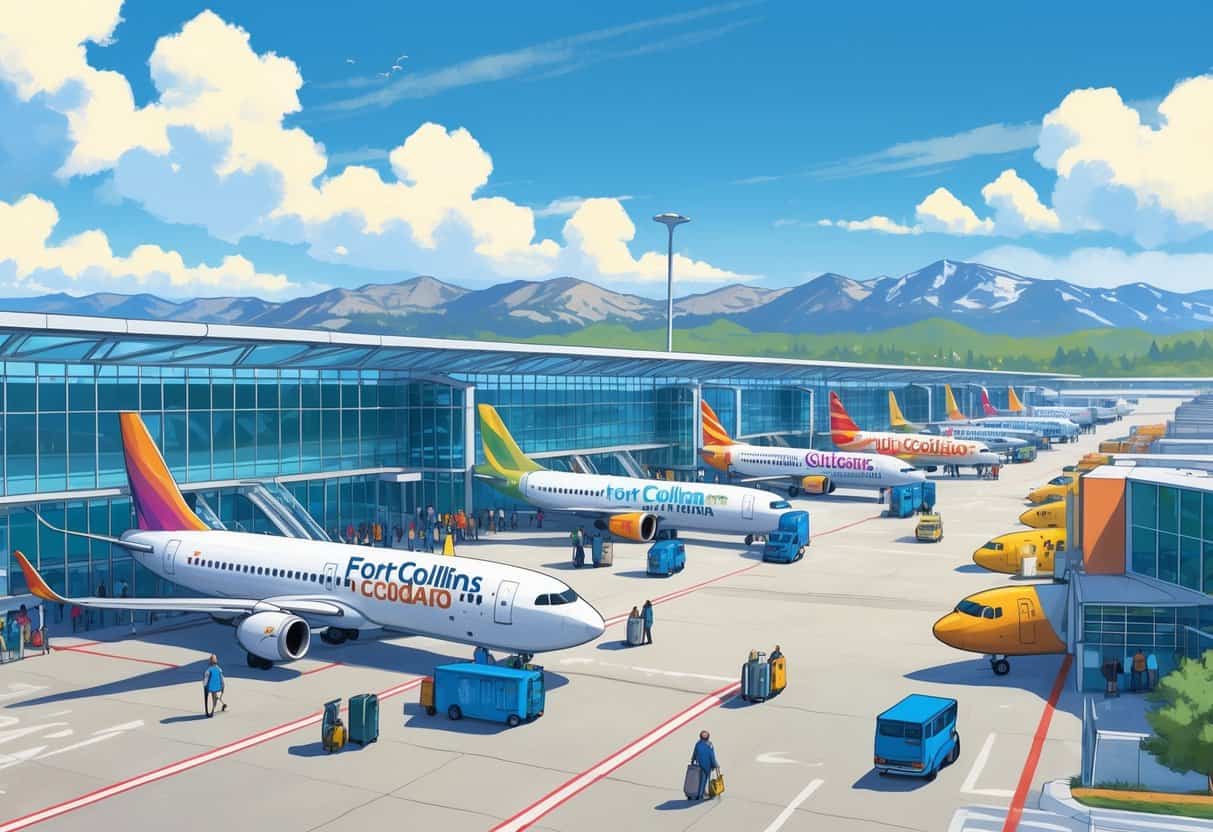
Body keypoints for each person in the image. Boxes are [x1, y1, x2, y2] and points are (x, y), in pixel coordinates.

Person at [691, 730, 720, 800]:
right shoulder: (709, 744)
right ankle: (701, 794)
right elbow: (711, 755)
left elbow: (695, 753)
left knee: (700, 780)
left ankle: (699, 793)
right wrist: (715, 764)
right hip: (707, 765)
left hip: (699, 764)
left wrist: (692, 760)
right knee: (704, 780)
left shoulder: (698, 744)